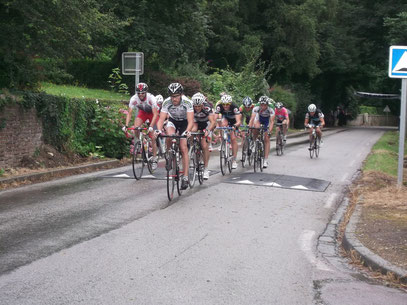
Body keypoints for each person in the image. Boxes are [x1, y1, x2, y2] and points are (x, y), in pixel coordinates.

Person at [156, 83, 194, 190]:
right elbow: (161, 119)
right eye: (172, 96)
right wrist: (158, 130)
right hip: (173, 121)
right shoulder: (166, 102)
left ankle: (185, 177)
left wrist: (187, 131)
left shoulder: (187, 102)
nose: (174, 99)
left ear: (181, 95)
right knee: (169, 135)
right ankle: (169, 155)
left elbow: (191, 121)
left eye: (176, 96)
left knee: (183, 147)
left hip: (185, 123)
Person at [122, 82, 159, 170]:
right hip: (143, 113)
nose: (141, 95)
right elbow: (129, 113)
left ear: (146, 92)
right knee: (136, 128)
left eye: (142, 93)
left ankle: (154, 158)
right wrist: (126, 126)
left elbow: (155, 114)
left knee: (153, 137)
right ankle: (139, 142)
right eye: (139, 93)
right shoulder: (134, 99)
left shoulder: (151, 98)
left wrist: (151, 126)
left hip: (153, 114)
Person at [191, 92, 216, 180]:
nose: (197, 108)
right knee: (192, 131)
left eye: (199, 106)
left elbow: (213, 122)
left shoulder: (207, 107)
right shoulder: (191, 106)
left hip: (206, 123)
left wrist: (208, 130)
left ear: (202, 104)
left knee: (204, 145)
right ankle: (193, 149)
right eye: (195, 106)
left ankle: (206, 169)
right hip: (196, 122)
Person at [215, 94, 242, 169]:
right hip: (226, 118)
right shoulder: (219, 106)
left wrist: (235, 126)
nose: (225, 106)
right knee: (223, 123)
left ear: (230, 103)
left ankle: (234, 160)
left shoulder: (234, 107)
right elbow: (214, 118)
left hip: (234, 120)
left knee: (233, 138)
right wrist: (214, 125)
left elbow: (238, 121)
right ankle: (224, 139)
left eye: (227, 104)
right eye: (224, 104)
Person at [249, 96, 274, 168]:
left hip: (267, 120)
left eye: (265, 105)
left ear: (267, 104)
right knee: (256, 127)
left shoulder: (271, 108)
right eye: (261, 105)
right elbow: (252, 118)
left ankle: (265, 160)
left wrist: (269, 131)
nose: (263, 106)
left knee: (266, 139)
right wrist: (250, 128)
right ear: (259, 104)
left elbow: (272, 122)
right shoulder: (256, 107)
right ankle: (254, 141)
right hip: (259, 118)